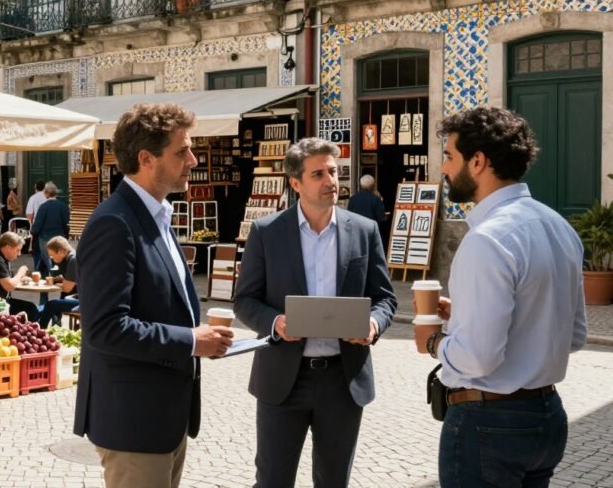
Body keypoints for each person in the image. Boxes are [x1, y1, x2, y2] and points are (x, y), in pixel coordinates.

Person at [422, 107, 587, 488]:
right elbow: (574, 337)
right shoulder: (559, 226)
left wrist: (434, 342)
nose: (444, 169)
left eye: (449, 156)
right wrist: (465, 314)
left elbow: (478, 357)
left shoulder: (487, 239)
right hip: (546, 416)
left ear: (478, 161)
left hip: (488, 424)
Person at [74, 103, 233, 488]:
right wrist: (191, 340)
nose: (193, 160)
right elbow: (106, 328)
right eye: (182, 151)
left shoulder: (156, 215)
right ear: (146, 158)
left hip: (164, 419)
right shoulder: (115, 222)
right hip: (134, 424)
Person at [233, 137, 397, 488]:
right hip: (283, 380)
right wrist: (275, 323)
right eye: (318, 174)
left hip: (343, 379)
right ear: (295, 183)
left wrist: (372, 324)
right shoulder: (267, 232)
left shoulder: (364, 231)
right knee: (273, 480)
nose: (331, 181)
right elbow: (245, 300)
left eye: (334, 172)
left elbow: (385, 299)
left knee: (334, 481)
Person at [37, 236, 79, 328]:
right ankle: (39, 327)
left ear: (61, 252)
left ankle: (40, 331)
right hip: (76, 297)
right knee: (39, 309)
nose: (51, 258)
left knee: (50, 305)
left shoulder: (73, 260)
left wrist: (54, 284)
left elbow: (67, 288)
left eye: (52, 255)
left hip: (84, 302)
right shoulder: (69, 257)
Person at [30, 182, 70, 274]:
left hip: (45, 238)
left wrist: (33, 233)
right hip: (60, 238)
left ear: (46, 193)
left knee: (49, 263)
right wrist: (65, 236)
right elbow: (66, 224)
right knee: (60, 261)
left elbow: (37, 226)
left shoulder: (43, 207)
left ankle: (50, 279)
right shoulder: (63, 206)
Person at [25, 180, 47, 267]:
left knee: (37, 251)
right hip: (48, 227)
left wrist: (30, 228)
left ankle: (38, 270)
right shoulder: (47, 197)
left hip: (37, 227)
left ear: (35, 188)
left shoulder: (33, 198)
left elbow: (29, 215)